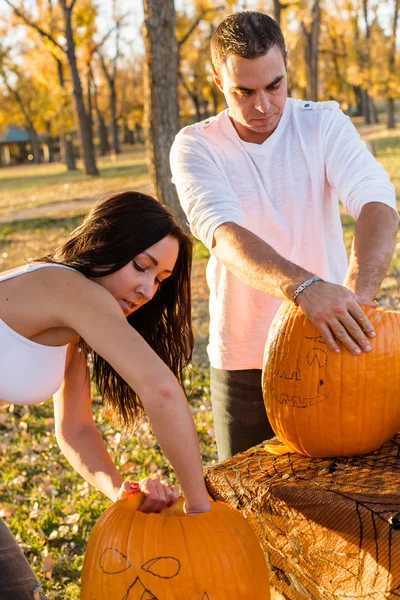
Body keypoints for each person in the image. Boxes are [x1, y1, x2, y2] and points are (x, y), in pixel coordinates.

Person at [170, 11, 399, 462]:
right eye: (244, 91)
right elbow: (224, 235)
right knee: (246, 506)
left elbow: (378, 203)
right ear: (217, 79)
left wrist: (359, 299)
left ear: (287, 64)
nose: (263, 105)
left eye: (274, 85)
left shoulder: (323, 124)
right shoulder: (196, 146)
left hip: (334, 350)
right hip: (244, 355)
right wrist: (304, 287)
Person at [0, 190, 210, 600]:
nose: (149, 289)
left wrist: (121, 490)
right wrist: (199, 508)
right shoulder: (69, 289)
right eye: (141, 267)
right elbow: (162, 390)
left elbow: (75, 428)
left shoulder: (70, 318)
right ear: (106, 243)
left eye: (160, 280)